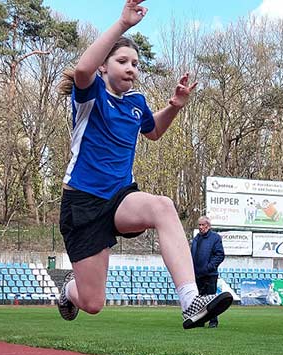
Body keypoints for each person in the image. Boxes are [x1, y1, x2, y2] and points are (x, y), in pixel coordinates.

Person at [56, 0, 232, 329]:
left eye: (135, 63)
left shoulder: (136, 101)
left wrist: (175, 106)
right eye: (122, 61)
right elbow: (81, 71)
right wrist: (122, 25)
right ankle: (69, 291)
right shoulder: (91, 93)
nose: (131, 68)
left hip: (120, 197)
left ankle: (190, 301)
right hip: (82, 202)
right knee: (93, 303)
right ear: (104, 67)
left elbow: (153, 132)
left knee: (162, 207)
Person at [191, 216, 225, 328]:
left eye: (202, 225)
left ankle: (213, 321)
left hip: (210, 275)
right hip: (197, 274)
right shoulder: (196, 238)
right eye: (199, 225)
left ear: (208, 226)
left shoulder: (215, 238)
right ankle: (200, 321)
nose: (200, 227)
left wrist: (209, 267)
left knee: (211, 299)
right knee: (199, 300)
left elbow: (220, 255)